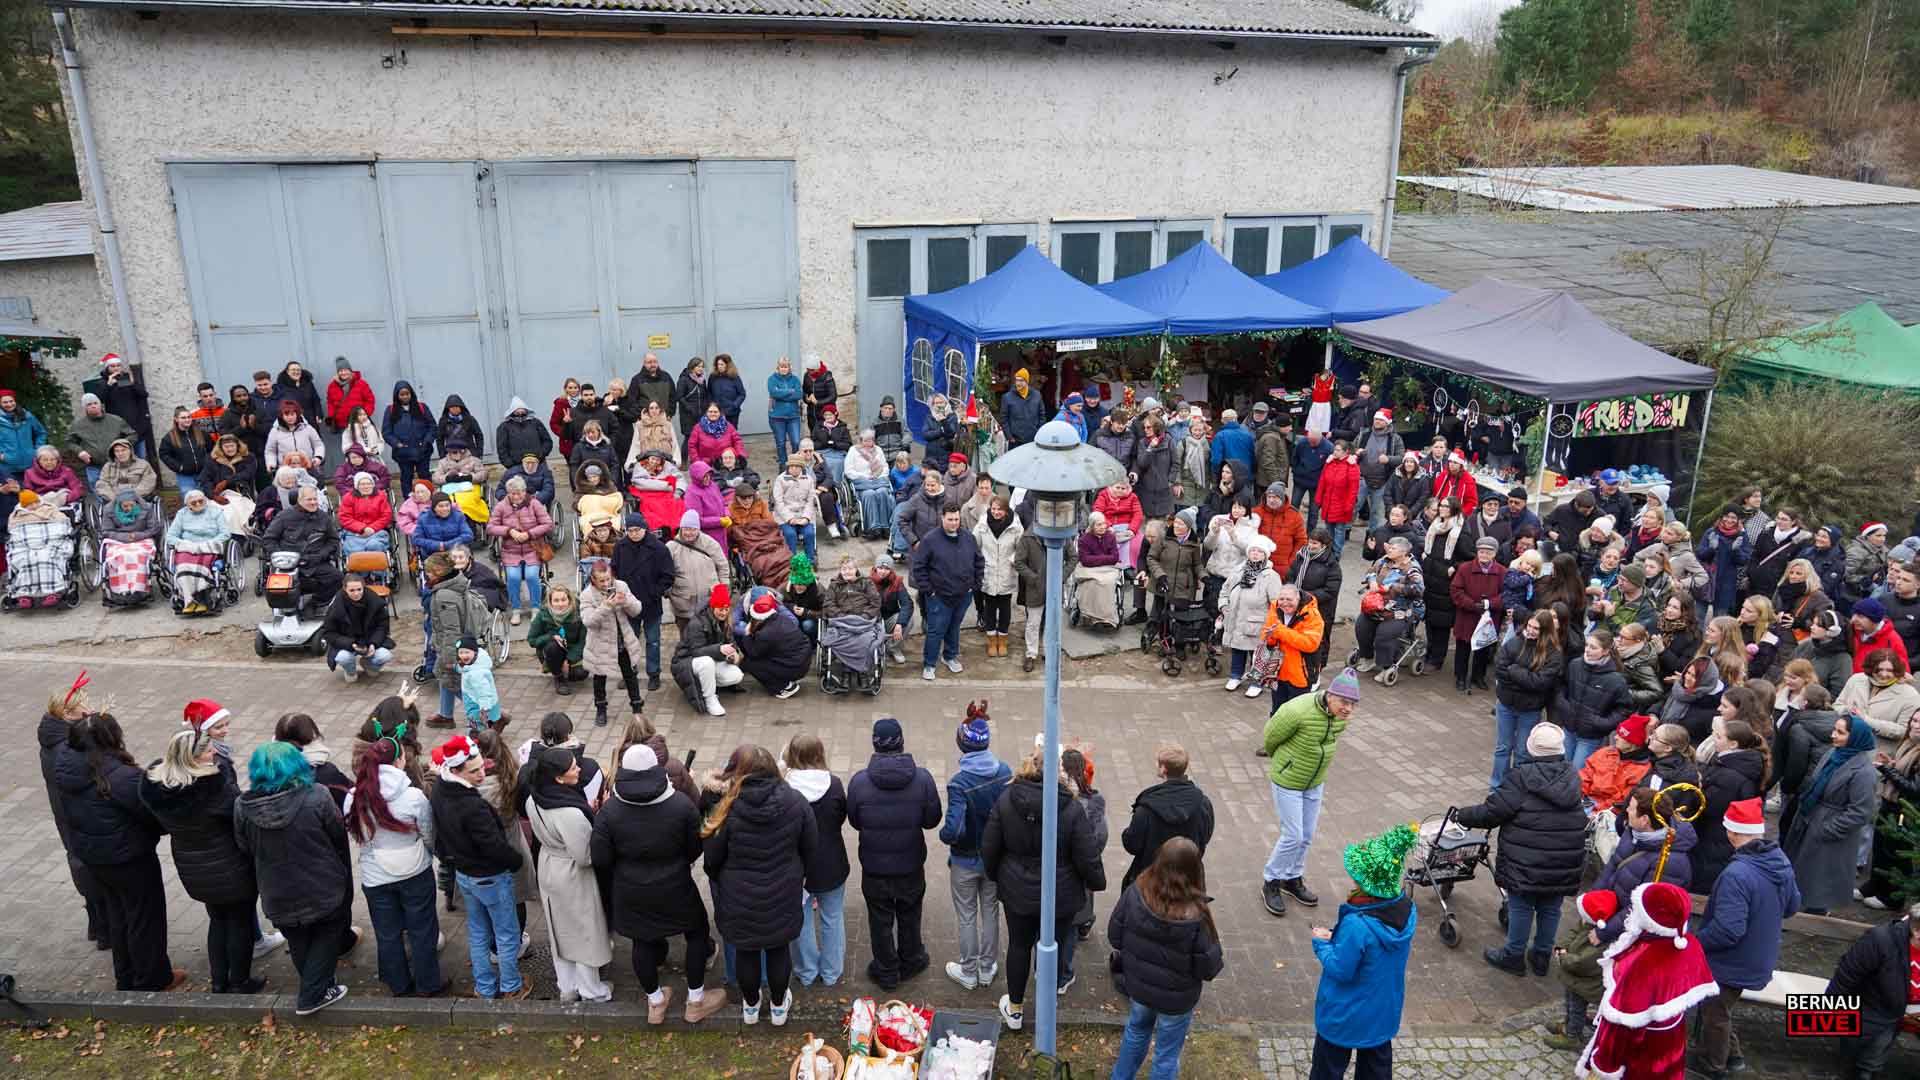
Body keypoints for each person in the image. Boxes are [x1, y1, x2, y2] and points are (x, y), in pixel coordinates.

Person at [984, 749, 1107, 1031]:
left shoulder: (1006, 800)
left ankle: (1014, 1009)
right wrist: (1097, 881)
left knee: (1018, 946)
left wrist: (997, 876)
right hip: (1060, 893)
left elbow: (990, 845)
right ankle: (1046, 1006)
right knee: (1053, 945)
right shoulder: (1071, 808)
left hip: (1017, 891)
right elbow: (1086, 854)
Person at [1453, 721, 1586, 977]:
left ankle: (1514, 955)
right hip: (1564, 858)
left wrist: (1463, 815)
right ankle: (1541, 956)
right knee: (1551, 907)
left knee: (1522, 906)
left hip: (1526, 859)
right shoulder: (1571, 775)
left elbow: (1493, 812)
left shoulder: (1521, 777)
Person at [231, 740, 354, 1016]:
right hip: (322, 886)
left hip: (277, 891)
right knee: (327, 935)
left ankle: (319, 983)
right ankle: (312, 995)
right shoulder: (318, 796)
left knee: (297, 938)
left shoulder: (243, 806)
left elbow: (244, 845)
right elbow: (337, 834)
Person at [137, 727, 262, 995]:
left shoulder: (159, 789)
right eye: (207, 750)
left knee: (217, 919)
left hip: (193, 869)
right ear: (190, 758)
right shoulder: (215, 789)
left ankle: (219, 981)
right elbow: (241, 818)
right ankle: (240, 981)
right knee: (239, 922)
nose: (214, 752)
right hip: (231, 868)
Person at [701, 745, 815, 1026]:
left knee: (746, 952)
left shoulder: (728, 807)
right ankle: (778, 1008)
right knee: (778, 950)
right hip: (782, 893)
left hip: (739, 897)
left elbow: (712, 860)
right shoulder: (796, 801)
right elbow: (811, 847)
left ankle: (750, 1007)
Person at [1692, 796, 1801, 1079]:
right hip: (1758, 955)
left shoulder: (1736, 874)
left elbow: (1729, 930)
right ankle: (1735, 1056)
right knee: (1721, 1009)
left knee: (1715, 1013)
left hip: (1732, 962)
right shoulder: (1780, 862)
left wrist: (1697, 942)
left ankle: (1713, 1065)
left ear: (1732, 832)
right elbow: (1791, 907)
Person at [1576, 880, 1720, 1080]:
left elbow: (1619, 1025)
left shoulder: (1642, 963)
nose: (1632, 913)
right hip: (1671, 1040)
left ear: (1651, 919)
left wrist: (1603, 1066)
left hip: (1640, 1052)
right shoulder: (1689, 944)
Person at [1106, 837, 1224, 1080]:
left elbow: (1114, 936)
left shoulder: (1136, 891)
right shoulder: (1197, 915)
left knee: (1136, 1032)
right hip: (1176, 1001)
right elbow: (1208, 968)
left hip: (1138, 988)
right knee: (1166, 1055)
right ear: (1195, 871)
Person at [1307, 823, 1418, 1080]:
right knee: (1376, 1071)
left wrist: (1322, 943)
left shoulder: (1358, 925)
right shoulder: (1407, 910)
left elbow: (1341, 969)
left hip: (1344, 1016)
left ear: (1366, 884)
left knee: (1327, 1069)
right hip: (1382, 1013)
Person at [846, 717, 943, 990]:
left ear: (875, 744)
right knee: (910, 914)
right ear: (901, 742)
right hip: (911, 864)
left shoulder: (859, 782)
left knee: (880, 921)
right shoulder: (922, 779)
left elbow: (854, 821)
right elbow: (932, 820)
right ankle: (912, 959)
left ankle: (886, 971)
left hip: (875, 868)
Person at [1260, 668, 1360, 916]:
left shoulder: (1339, 717)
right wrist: (1284, 762)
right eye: (1344, 702)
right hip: (1288, 781)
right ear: (1330, 695)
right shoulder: (1297, 710)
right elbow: (1270, 737)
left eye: (1353, 704)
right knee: (1292, 835)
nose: (1348, 709)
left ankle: (1291, 878)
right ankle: (1271, 881)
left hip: (1315, 781)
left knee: (1306, 835)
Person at [936, 702, 1013, 992]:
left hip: (965, 860)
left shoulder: (959, 783)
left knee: (967, 915)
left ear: (962, 745)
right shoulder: (1004, 772)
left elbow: (954, 829)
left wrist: (946, 836)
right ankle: (987, 967)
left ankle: (968, 970)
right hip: (994, 859)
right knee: (990, 911)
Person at [1783, 713, 1878, 914]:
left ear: (1855, 738)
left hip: (1829, 827)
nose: (1833, 735)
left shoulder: (1864, 772)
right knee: (1803, 870)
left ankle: (1815, 916)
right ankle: (1796, 909)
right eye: (1834, 729)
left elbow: (1861, 812)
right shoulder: (1832, 754)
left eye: (1840, 732)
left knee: (1820, 877)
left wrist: (1828, 829)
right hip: (1810, 818)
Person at [1827, 898, 1920, 1079]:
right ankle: (1864, 1070)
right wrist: (1829, 1012)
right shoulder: (1881, 940)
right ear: (1917, 931)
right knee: (1872, 1055)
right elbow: (1846, 976)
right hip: (1879, 1008)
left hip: (1913, 1009)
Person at [1695, 720, 1771, 892]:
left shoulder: (1730, 776)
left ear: (1733, 744)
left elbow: (1708, 807)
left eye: (1719, 736)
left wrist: (1699, 787)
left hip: (1716, 839)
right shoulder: (1734, 765)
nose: (1714, 739)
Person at [912, 503, 984, 681]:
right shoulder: (930, 540)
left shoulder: (968, 537)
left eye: (957, 519)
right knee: (936, 631)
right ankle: (929, 664)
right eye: (950, 519)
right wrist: (929, 591)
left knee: (954, 627)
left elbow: (979, 561)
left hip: (963, 595)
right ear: (942, 518)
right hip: (939, 598)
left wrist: (974, 585)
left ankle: (949, 656)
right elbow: (919, 567)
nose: (954, 523)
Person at [579, 558, 645, 727]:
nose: (606, 583)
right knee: (599, 677)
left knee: (630, 675)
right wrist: (605, 606)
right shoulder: (587, 595)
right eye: (601, 580)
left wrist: (626, 601)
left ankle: (637, 708)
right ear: (593, 579)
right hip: (600, 643)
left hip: (623, 639)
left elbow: (637, 609)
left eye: (608, 579)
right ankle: (601, 709)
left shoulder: (621, 586)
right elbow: (588, 622)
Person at [1557, 628, 1633, 770]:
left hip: (1590, 736)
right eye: (1587, 645)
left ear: (1605, 651)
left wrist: (1602, 723)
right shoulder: (1575, 665)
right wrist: (1564, 707)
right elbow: (1561, 687)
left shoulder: (1616, 680)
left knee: (1578, 773)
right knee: (1562, 768)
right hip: (1569, 728)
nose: (1587, 650)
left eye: (1593, 647)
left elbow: (1624, 709)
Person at [1220, 535, 1284, 696]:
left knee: (1258, 655)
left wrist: (1272, 624)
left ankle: (1257, 682)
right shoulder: (1238, 571)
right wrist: (1224, 606)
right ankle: (1236, 675)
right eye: (1252, 550)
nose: (1255, 554)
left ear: (1265, 555)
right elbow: (1225, 590)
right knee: (1237, 649)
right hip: (1235, 619)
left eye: (1259, 551)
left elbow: (1277, 603)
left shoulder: (1271, 576)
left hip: (1257, 623)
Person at [1354, 536, 1424, 680]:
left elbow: (1418, 589)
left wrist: (1393, 587)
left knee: (1383, 637)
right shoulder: (1383, 560)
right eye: (1389, 547)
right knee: (1362, 628)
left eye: (1394, 548)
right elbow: (1370, 571)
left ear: (1403, 552)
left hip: (1398, 612)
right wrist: (1372, 580)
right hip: (1375, 606)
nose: (1389, 550)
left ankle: (1386, 666)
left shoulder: (1412, 568)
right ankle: (1368, 658)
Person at [1838, 647, 1920, 754]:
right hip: (1846, 748)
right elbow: (1837, 705)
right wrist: (1847, 710)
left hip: (1879, 756)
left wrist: (1867, 720)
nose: (1884, 674)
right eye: (1879, 669)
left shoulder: (1910, 695)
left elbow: (1904, 731)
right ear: (1871, 667)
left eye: (1889, 670)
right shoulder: (1856, 679)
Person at [738, 588, 815, 699]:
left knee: (750, 663)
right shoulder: (782, 618)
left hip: (795, 667)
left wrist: (747, 634)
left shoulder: (765, 634)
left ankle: (782, 687)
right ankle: (785, 678)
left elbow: (753, 652)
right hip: (803, 660)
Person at [319, 572, 394, 683]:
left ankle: (369, 665)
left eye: (359, 589)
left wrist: (374, 643)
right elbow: (329, 632)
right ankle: (351, 671)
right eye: (352, 590)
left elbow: (382, 626)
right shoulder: (336, 606)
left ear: (364, 587)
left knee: (385, 656)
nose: (356, 593)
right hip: (347, 642)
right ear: (345, 589)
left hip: (369, 640)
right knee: (343, 658)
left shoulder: (375, 601)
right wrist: (351, 644)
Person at [68, 392, 136, 488]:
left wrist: (122, 446)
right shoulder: (78, 425)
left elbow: (132, 434)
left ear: (100, 404)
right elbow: (70, 442)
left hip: (117, 464)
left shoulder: (116, 420)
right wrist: (80, 452)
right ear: (85, 408)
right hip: (94, 466)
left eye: (95, 403)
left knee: (121, 489)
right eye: (89, 404)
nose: (93, 406)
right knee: (98, 489)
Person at [380, 381, 436, 495]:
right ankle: (408, 503)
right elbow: (386, 432)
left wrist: (427, 441)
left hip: (423, 450)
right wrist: (397, 444)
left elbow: (432, 426)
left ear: (411, 394)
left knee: (424, 476)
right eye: (402, 394)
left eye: (407, 394)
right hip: (403, 452)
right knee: (406, 477)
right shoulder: (391, 410)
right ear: (397, 395)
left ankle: (429, 499)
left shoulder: (421, 407)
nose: (405, 396)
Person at [158, 406, 214, 497]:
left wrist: (207, 462)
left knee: (207, 497)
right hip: (185, 476)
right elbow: (164, 454)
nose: (187, 420)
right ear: (176, 419)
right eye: (183, 418)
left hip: (203, 473)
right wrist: (179, 467)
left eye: (189, 417)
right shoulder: (169, 437)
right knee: (190, 499)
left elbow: (212, 448)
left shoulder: (201, 433)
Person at [0, 385, 50, 474]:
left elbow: (41, 433)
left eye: (11, 401)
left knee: (30, 488)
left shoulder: (27, 416)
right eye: (5, 402)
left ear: (15, 401)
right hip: (7, 466)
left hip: (30, 464)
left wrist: (37, 450)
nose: (9, 404)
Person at [1000, 367, 1049, 447]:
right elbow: (1004, 418)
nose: (1018, 383)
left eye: (1021, 380)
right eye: (1017, 380)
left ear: (1027, 381)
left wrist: (1039, 433)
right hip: (1015, 441)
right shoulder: (1007, 397)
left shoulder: (1037, 395)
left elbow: (1042, 415)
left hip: (1033, 439)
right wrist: (1009, 436)